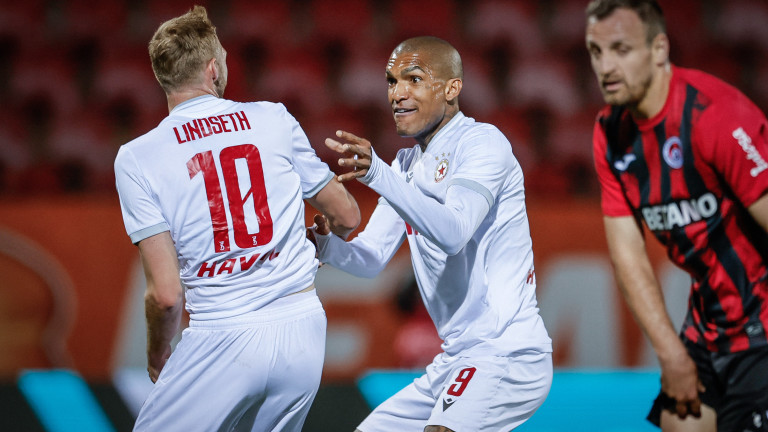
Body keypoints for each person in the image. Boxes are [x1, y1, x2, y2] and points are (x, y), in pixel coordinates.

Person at [114, 6, 360, 431]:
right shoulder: (273, 118)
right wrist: (318, 239)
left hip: (221, 334)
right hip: (302, 326)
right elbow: (347, 215)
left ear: (163, 77)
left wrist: (157, 355)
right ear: (213, 69)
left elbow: (166, 295)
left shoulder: (137, 158)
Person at [310, 36, 552, 432]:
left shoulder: (482, 143)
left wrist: (378, 174)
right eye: (392, 82)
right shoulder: (405, 166)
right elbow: (371, 258)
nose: (397, 94)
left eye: (414, 79)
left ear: (452, 88)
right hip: (455, 360)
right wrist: (323, 247)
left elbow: (454, 232)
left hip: (506, 352)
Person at [585, 1, 768, 431]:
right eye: (596, 52)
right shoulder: (610, 132)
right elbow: (627, 255)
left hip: (763, 328)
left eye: (621, 49)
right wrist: (670, 353)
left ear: (659, 49)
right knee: (679, 423)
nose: (606, 67)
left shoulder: (716, 116)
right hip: (707, 329)